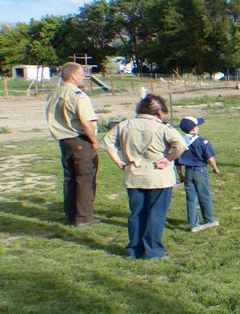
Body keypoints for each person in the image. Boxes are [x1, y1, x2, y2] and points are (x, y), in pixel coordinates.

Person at [100, 94, 187, 259]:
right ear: (159, 111)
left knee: (137, 214)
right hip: (158, 176)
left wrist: (118, 161)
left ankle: (134, 250)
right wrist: (168, 159)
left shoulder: (124, 125)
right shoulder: (163, 128)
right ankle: (154, 251)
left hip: (133, 175)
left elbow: (106, 142)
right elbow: (181, 145)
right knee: (156, 214)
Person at [45, 62, 101, 226]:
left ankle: (71, 215)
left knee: (69, 178)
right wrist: (94, 141)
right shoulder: (78, 95)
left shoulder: (55, 93)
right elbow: (86, 123)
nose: (83, 77)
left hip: (64, 140)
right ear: (74, 76)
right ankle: (83, 217)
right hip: (79, 139)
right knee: (85, 179)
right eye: (82, 74)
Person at [175, 116, 220, 233]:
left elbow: (177, 161)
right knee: (204, 195)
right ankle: (209, 219)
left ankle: (193, 224)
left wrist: (180, 175)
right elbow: (210, 158)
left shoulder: (180, 142)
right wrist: (215, 168)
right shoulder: (202, 141)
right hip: (200, 171)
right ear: (194, 129)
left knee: (190, 198)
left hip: (188, 171)